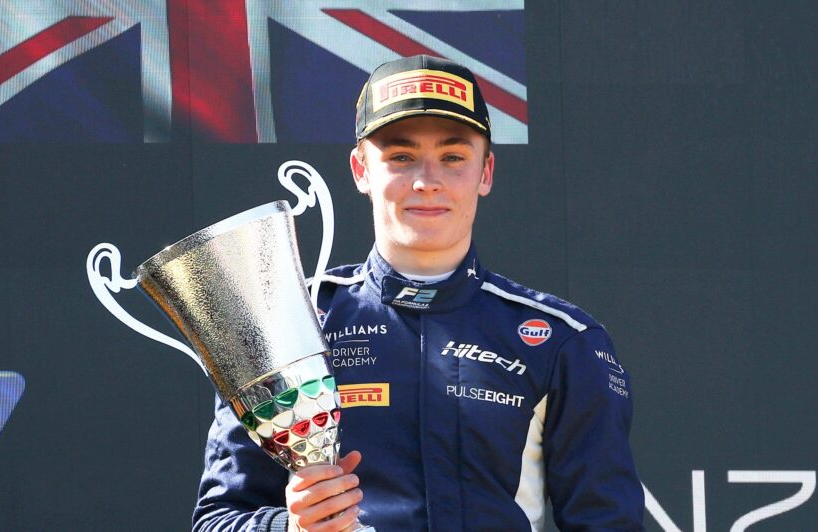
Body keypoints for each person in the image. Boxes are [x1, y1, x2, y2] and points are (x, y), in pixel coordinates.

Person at [193, 55, 645, 531]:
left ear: (485, 172)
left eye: (453, 158)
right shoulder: (286, 325)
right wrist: (290, 526)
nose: (427, 182)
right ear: (361, 170)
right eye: (401, 157)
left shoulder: (562, 341)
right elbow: (217, 520)